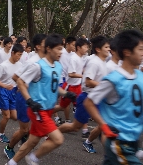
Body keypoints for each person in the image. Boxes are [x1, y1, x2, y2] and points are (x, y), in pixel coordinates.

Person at [6, 34, 76, 165]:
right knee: (58, 139)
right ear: (48, 49)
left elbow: (54, 87)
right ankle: (33, 158)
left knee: (32, 141)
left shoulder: (58, 66)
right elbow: (20, 81)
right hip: (38, 110)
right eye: (59, 48)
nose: (61, 52)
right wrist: (29, 100)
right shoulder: (37, 66)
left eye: (62, 49)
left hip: (48, 109)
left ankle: (12, 163)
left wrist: (66, 93)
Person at [84, 29, 143, 164]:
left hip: (134, 141)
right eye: (140, 49)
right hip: (118, 142)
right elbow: (89, 102)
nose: (142, 53)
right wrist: (104, 126)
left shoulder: (140, 76)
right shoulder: (113, 79)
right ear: (127, 52)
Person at [58, 35, 110, 153]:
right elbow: (88, 81)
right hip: (88, 98)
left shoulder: (103, 63)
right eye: (106, 47)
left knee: (104, 124)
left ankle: (89, 142)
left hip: (98, 98)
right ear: (98, 49)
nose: (109, 49)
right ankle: (54, 132)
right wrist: (104, 86)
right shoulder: (94, 62)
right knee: (75, 127)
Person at [3, 34, 47, 160]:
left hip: (36, 99)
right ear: (38, 46)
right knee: (24, 129)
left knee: (33, 128)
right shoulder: (32, 62)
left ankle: (25, 145)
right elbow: (15, 77)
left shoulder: (46, 61)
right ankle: (9, 147)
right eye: (46, 43)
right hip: (24, 98)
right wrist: (26, 87)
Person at [0, 44, 23, 143]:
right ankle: (1, 135)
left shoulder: (20, 65)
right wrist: (4, 86)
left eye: (21, 55)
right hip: (3, 91)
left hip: (14, 91)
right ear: (12, 53)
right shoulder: (3, 65)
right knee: (7, 116)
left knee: (15, 117)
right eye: (18, 54)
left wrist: (19, 87)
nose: (19, 57)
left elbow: (20, 78)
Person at [55, 38, 89, 123]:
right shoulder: (74, 58)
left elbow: (80, 70)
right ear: (79, 47)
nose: (87, 49)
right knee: (62, 106)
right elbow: (71, 74)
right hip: (69, 86)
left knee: (83, 104)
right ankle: (46, 113)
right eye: (85, 47)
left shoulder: (79, 57)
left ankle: (81, 127)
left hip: (77, 86)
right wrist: (83, 76)